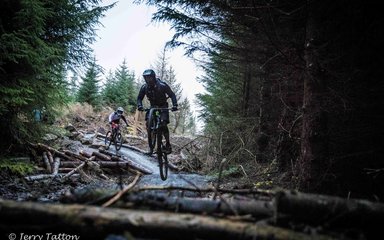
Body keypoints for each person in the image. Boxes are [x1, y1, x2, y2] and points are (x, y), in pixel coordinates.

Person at [137, 69, 178, 154]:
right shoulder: (144, 87)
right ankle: (151, 145)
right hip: (153, 107)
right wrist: (140, 106)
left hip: (163, 106)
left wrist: (175, 105)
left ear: (153, 77)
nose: (148, 80)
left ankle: (167, 144)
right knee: (148, 123)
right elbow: (139, 98)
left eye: (150, 78)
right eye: (146, 78)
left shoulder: (162, 85)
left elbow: (172, 95)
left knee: (163, 123)